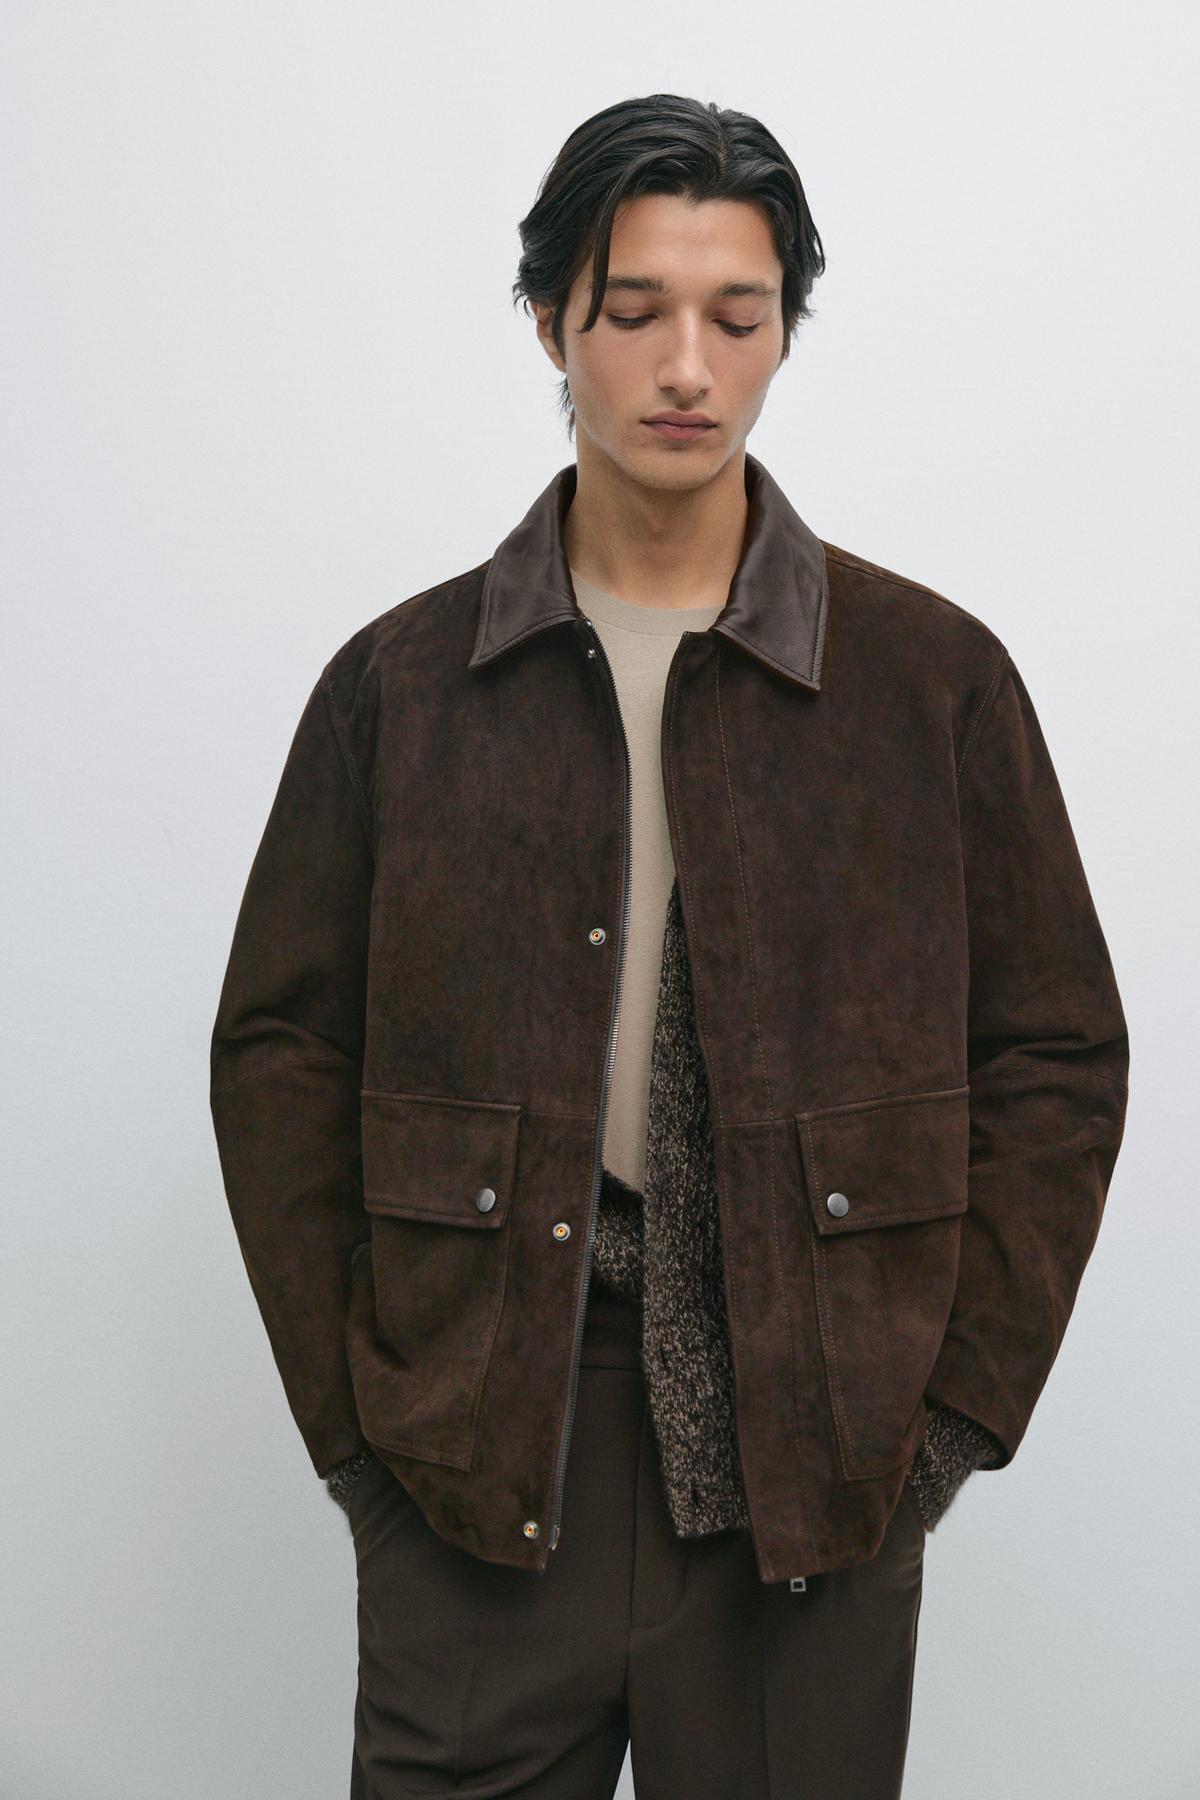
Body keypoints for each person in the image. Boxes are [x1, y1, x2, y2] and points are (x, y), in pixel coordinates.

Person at [209, 93, 1129, 1800]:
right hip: (486, 1453)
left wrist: (938, 1431)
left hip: (811, 1468)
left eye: (739, 315)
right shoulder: (402, 687)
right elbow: (281, 1053)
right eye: (633, 311)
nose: (686, 367)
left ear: (788, 332)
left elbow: (1058, 1056)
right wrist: (364, 1440)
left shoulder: (930, 682)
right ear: (550, 321)